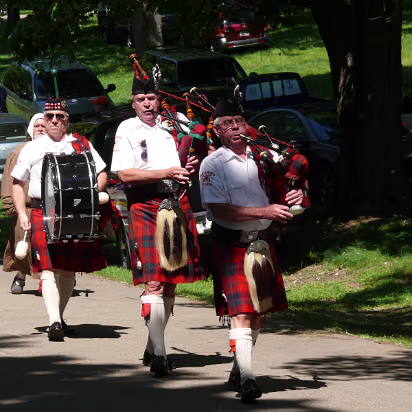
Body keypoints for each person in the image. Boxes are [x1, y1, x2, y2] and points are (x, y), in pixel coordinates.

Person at [199, 101, 304, 403]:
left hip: (263, 240)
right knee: (242, 311)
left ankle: (238, 367)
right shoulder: (213, 164)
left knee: (259, 313)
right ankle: (247, 379)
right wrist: (265, 210)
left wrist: (297, 193)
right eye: (227, 123)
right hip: (231, 242)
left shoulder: (265, 157)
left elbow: (285, 187)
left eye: (240, 121)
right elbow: (219, 209)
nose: (235, 127)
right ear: (217, 131)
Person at [111, 75, 206, 376]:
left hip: (177, 205)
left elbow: (199, 155)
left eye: (151, 98)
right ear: (133, 103)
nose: (147, 104)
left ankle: (154, 344)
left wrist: (193, 164)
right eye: (141, 100)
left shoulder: (175, 123)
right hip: (145, 206)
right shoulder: (126, 128)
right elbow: (125, 175)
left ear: (158, 98)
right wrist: (165, 171)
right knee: (153, 281)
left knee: (170, 282)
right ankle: (161, 356)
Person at [11, 99, 108, 341]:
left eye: (59, 116)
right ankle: (54, 321)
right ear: (43, 120)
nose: (54, 120)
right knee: (48, 266)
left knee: (68, 269)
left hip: (75, 211)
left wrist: (91, 194)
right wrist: (22, 214)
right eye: (50, 116)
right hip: (42, 211)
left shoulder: (80, 144)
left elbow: (101, 173)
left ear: (67, 119)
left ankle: (59, 316)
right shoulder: (32, 148)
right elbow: (17, 184)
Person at [2, 113, 46, 294]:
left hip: (52, 208)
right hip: (27, 208)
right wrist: (11, 206)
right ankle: (20, 276)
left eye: (44, 125)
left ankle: (57, 279)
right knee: (23, 246)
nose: (41, 129)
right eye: (37, 126)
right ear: (30, 129)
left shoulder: (57, 149)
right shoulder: (19, 151)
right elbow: (8, 181)